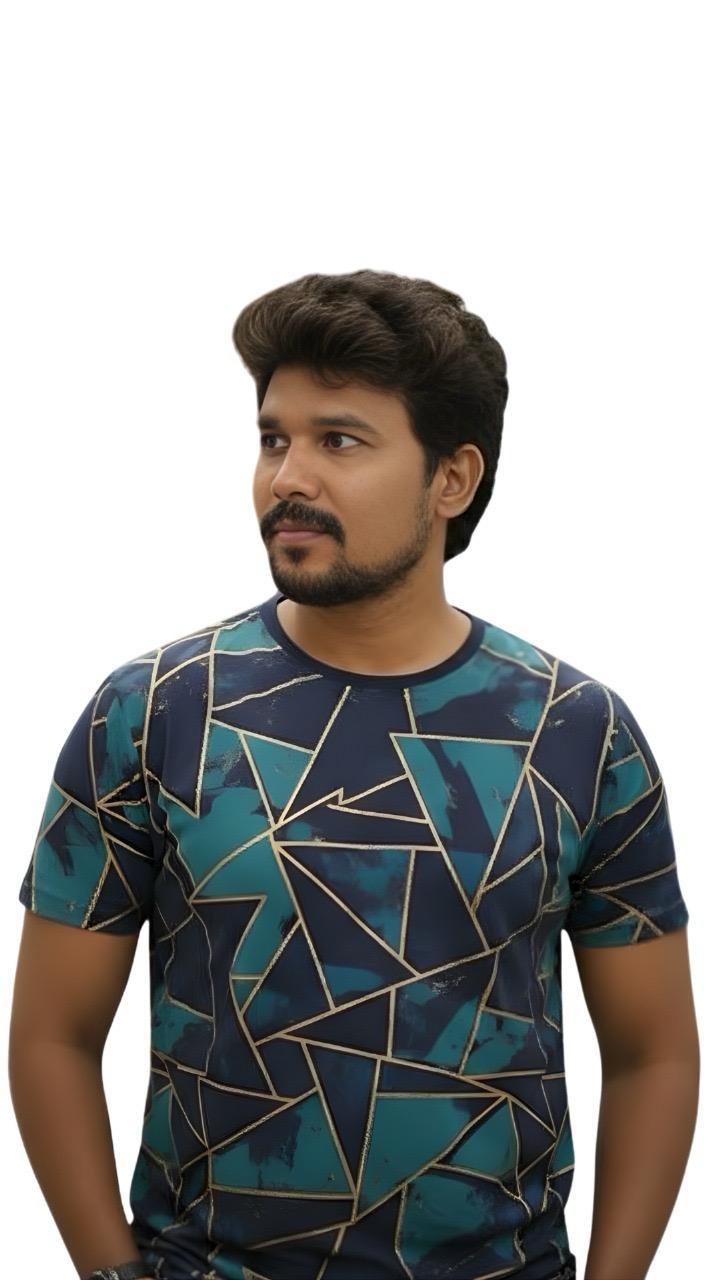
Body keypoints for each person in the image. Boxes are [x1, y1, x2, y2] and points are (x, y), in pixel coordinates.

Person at [9, 269, 698, 1280]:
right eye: (273, 438)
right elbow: (51, 1035)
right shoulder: (153, 711)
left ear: (452, 478)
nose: (288, 477)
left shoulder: (577, 731)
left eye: (339, 440)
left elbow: (654, 1054)